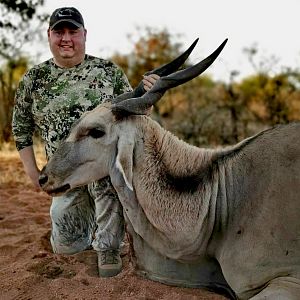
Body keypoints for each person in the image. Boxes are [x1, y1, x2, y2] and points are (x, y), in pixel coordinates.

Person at [12, 7, 158, 278]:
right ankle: (85, 231)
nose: (66, 38)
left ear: (84, 34)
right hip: (64, 171)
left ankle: (108, 246)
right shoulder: (33, 79)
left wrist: (148, 97)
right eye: (59, 31)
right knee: (67, 249)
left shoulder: (108, 71)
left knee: (110, 194)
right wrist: (33, 173)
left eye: (72, 31)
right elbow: (21, 129)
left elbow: (132, 114)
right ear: (49, 36)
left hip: (103, 171)